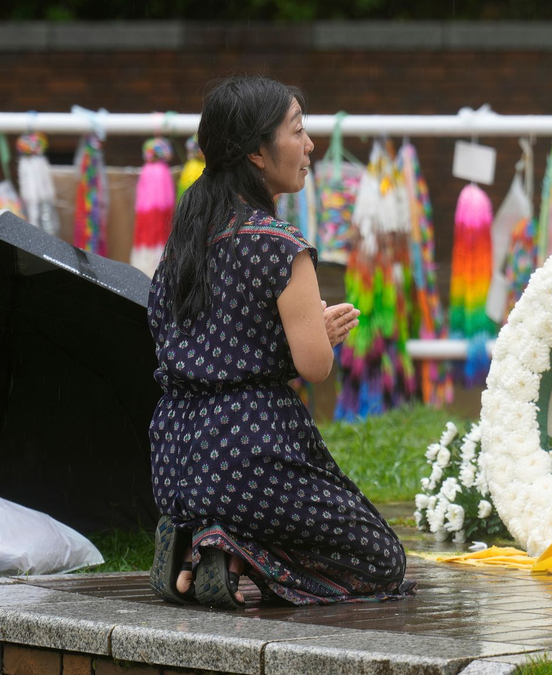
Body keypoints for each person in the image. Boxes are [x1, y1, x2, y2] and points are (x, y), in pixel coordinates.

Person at [146, 76, 409, 608]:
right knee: (383, 561)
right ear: (257, 155)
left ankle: (201, 540)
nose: (310, 145)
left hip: (174, 456)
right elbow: (314, 367)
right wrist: (322, 334)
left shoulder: (182, 247)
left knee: (259, 511)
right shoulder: (281, 247)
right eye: (297, 131)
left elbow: (196, 342)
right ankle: (228, 543)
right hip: (250, 454)